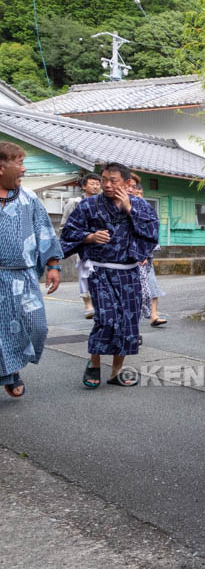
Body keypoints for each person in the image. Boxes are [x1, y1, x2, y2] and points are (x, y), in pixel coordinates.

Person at [61, 162, 159, 389]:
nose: (106, 185)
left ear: (126, 183)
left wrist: (129, 209)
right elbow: (68, 233)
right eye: (104, 180)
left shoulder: (140, 206)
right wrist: (89, 237)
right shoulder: (88, 205)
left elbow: (152, 233)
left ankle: (117, 370)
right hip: (100, 270)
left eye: (112, 181)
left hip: (129, 272)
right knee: (106, 318)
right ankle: (94, 361)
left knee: (128, 322)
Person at [0, 142, 63, 398]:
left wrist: (53, 265)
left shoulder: (29, 198)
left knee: (37, 327)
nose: (24, 169)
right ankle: (9, 374)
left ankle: (11, 368)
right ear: (1, 167)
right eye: (20, 163)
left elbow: (44, 231)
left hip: (23, 275)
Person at [128, 174, 167, 328]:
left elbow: (152, 233)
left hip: (144, 257)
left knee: (150, 288)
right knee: (131, 295)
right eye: (129, 187)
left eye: (136, 190)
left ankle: (152, 315)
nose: (132, 192)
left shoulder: (145, 209)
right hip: (122, 260)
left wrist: (144, 252)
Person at [61, 173, 101, 319]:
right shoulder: (75, 202)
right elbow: (65, 225)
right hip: (82, 242)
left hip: (101, 243)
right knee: (84, 273)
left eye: (98, 183)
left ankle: (99, 302)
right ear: (84, 186)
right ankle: (88, 304)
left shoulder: (103, 202)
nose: (96, 186)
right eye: (92, 183)